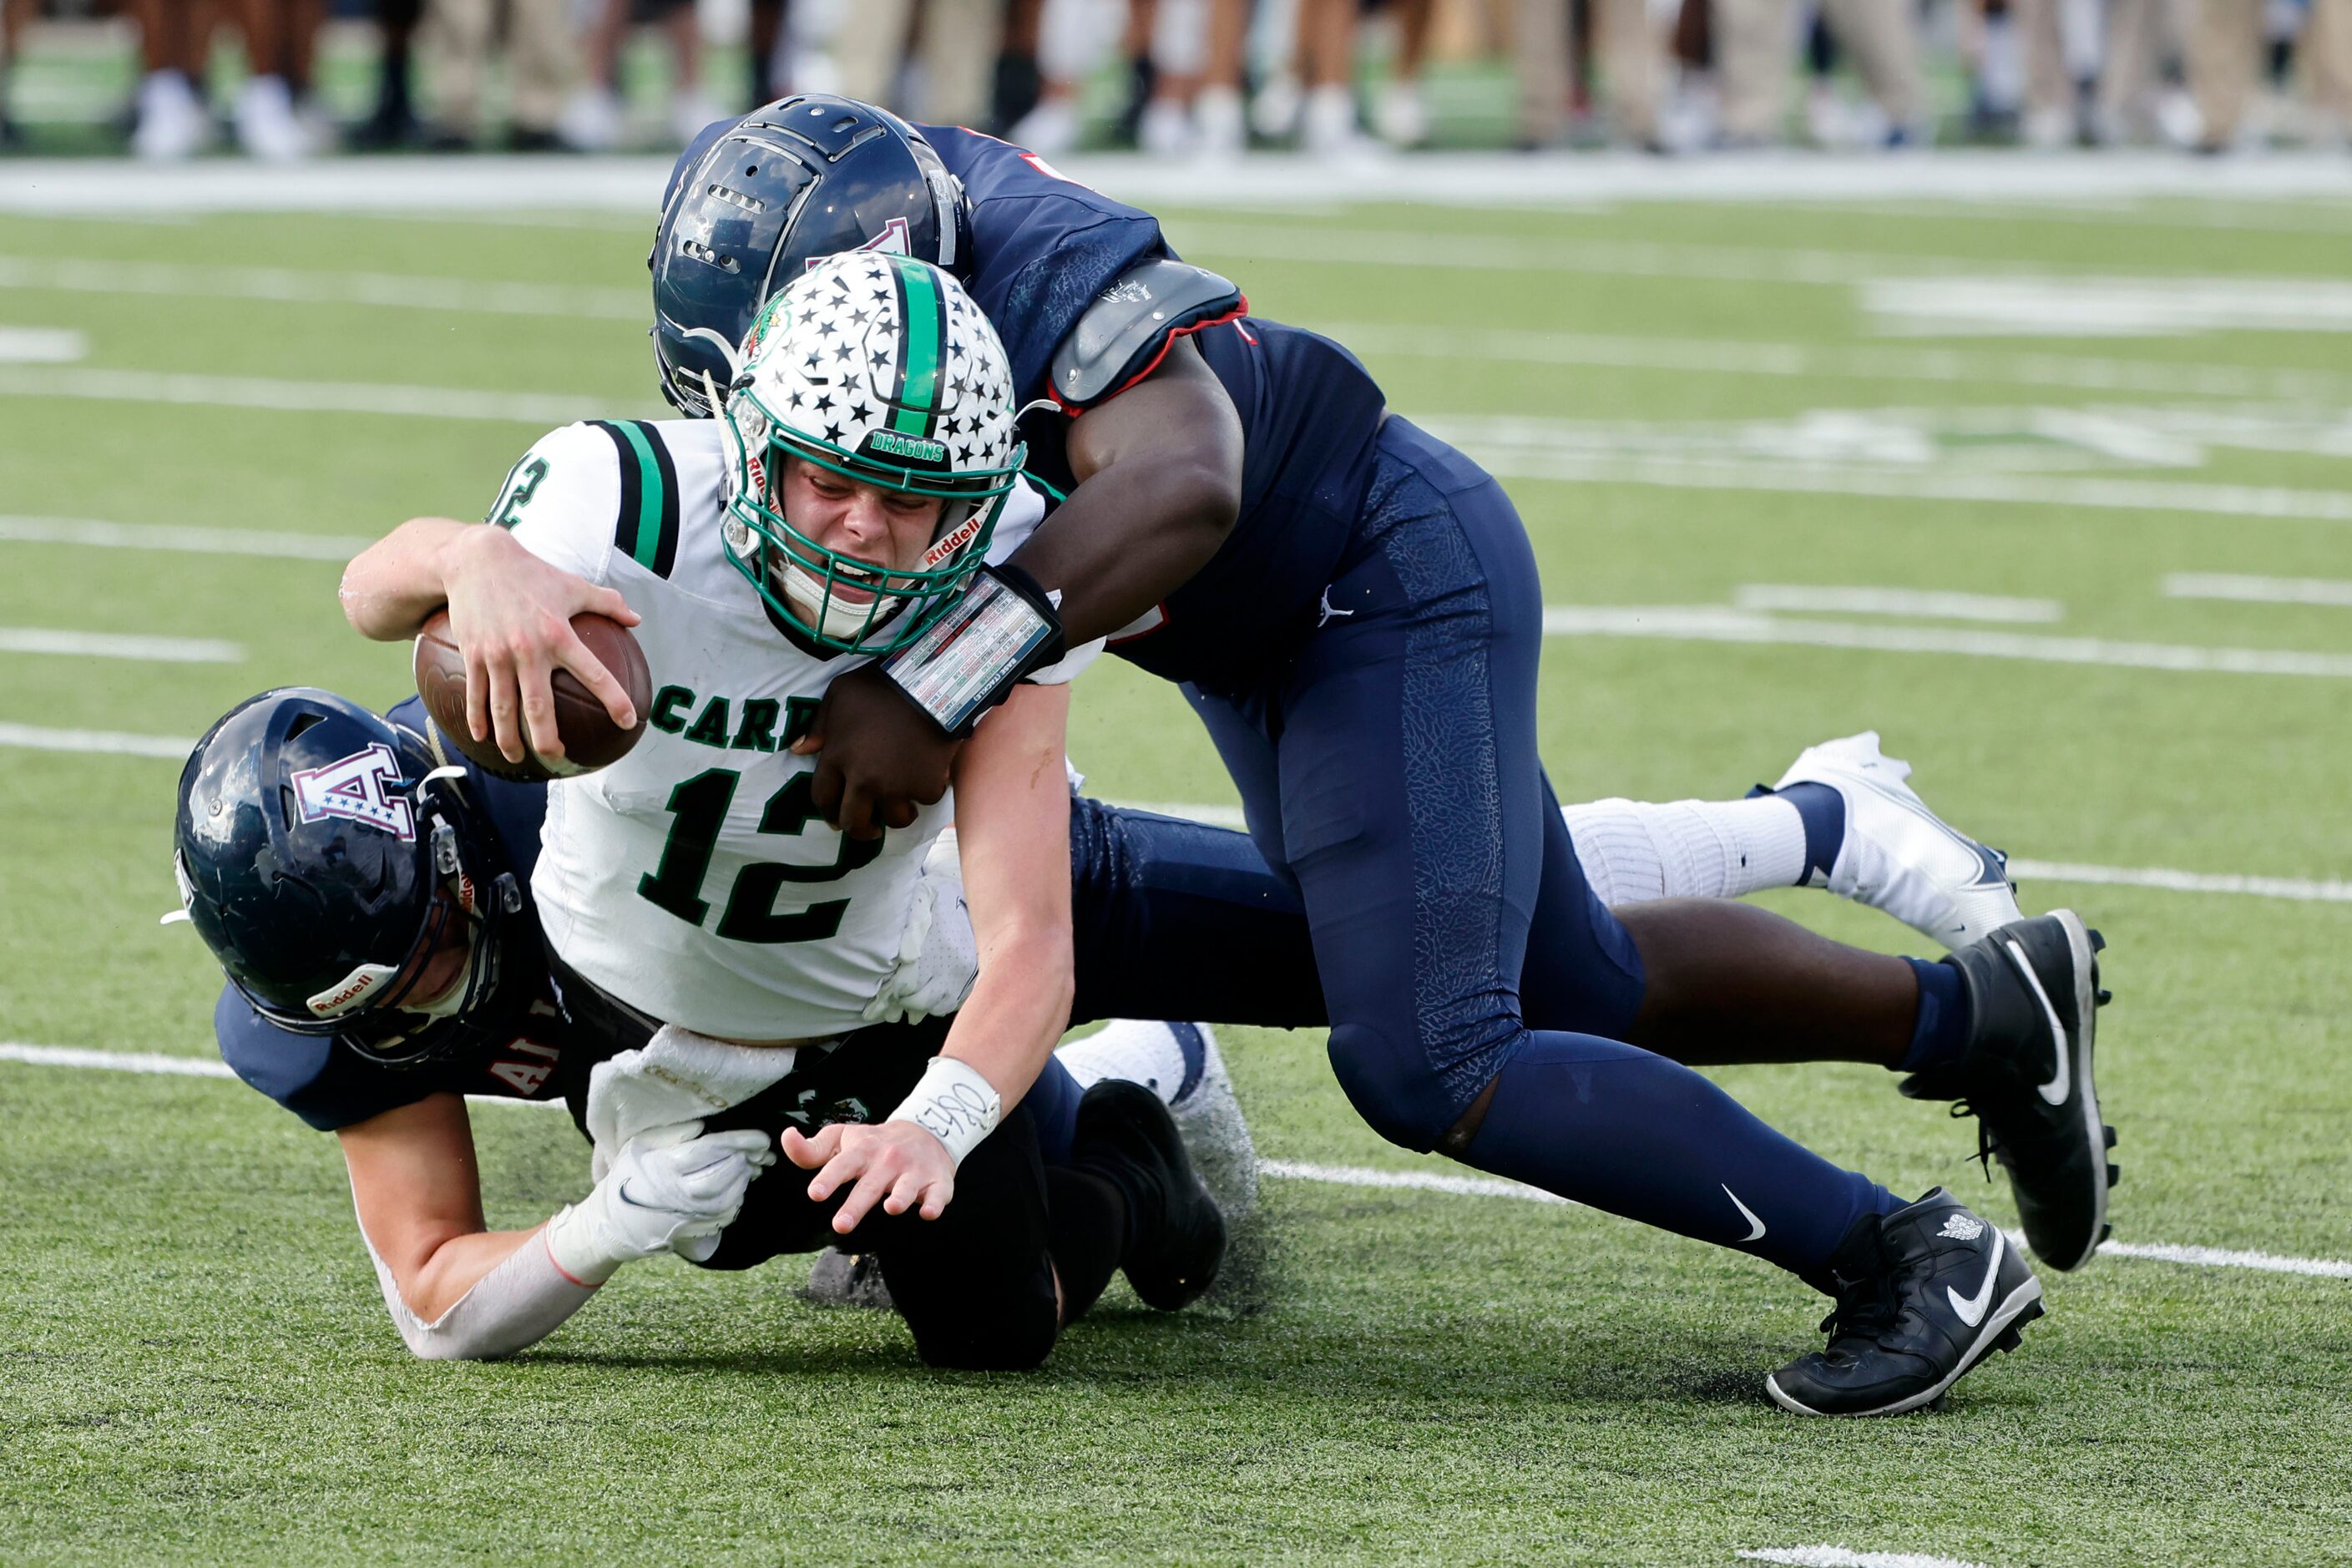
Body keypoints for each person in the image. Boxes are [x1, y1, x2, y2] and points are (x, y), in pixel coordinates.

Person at [636, 99, 2117, 1417]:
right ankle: (1975, 1015)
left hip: (1375, 570)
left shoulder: (1016, 246)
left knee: (1432, 1056)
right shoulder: (820, 287)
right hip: (1254, 634)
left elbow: (1187, 474)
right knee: (1569, 981)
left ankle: (1905, 1255)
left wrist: (940, 674)